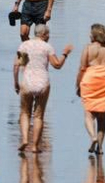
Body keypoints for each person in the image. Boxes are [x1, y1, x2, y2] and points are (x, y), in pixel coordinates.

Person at [14, 24, 70, 154]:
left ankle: (25, 139)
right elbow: (57, 65)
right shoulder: (47, 47)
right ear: (43, 34)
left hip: (27, 82)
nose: (49, 37)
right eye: (48, 34)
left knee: (24, 113)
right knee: (38, 116)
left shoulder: (24, 45)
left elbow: (17, 65)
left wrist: (16, 83)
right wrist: (65, 54)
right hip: (42, 83)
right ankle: (35, 146)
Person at [75, 23, 105, 155]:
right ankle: (100, 148)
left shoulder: (88, 48)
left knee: (88, 113)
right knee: (102, 117)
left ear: (95, 34)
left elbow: (82, 68)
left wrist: (78, 84)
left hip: (91, 79)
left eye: (91, 33)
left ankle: (93, 137)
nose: (89, 35)